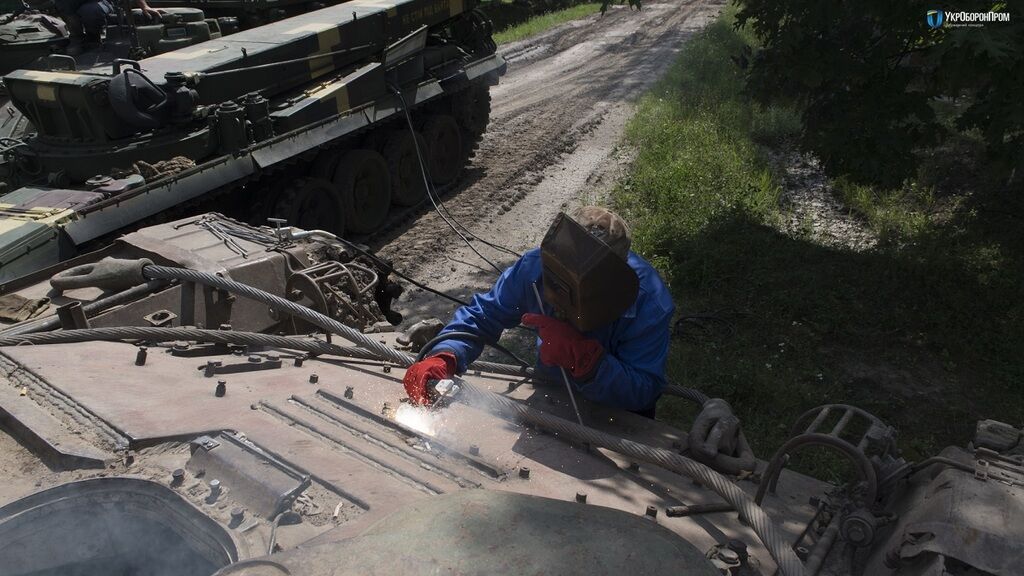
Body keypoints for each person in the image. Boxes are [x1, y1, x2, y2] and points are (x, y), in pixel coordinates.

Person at [402, 207, 675, 417]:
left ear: (608, 287)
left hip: (619, 417)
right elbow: (484, 315)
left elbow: (645, 389)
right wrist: (446, 354)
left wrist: (590, 363)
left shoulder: (649, 303)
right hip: (550, 393)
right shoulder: (533, 269)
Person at [55, 0, 160, 54]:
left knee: (91, 11)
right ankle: (76, 37)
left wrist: (144, 6)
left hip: (99, 3)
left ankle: (93, 37)